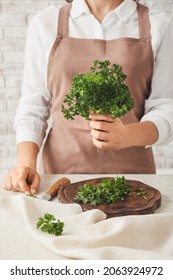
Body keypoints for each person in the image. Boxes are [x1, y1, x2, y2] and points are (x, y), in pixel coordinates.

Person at [3, 0, 173, 194]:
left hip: (132, 183)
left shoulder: (158, 24)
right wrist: (27, 164)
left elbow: (165, 108)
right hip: (61, 179)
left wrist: (127, 135)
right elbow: (33, 107)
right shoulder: (47, 22)